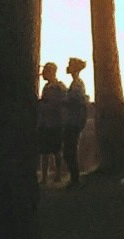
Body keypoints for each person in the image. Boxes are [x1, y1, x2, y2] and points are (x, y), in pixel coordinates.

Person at [39, 59, 91, 187]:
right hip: (64, 121)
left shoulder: (72, 85)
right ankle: (70, 178)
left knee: (67, 150)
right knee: (63, 150)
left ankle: (73, 179)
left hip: (67, 122)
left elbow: (75, 101)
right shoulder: (72, 85)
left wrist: (58, 104)